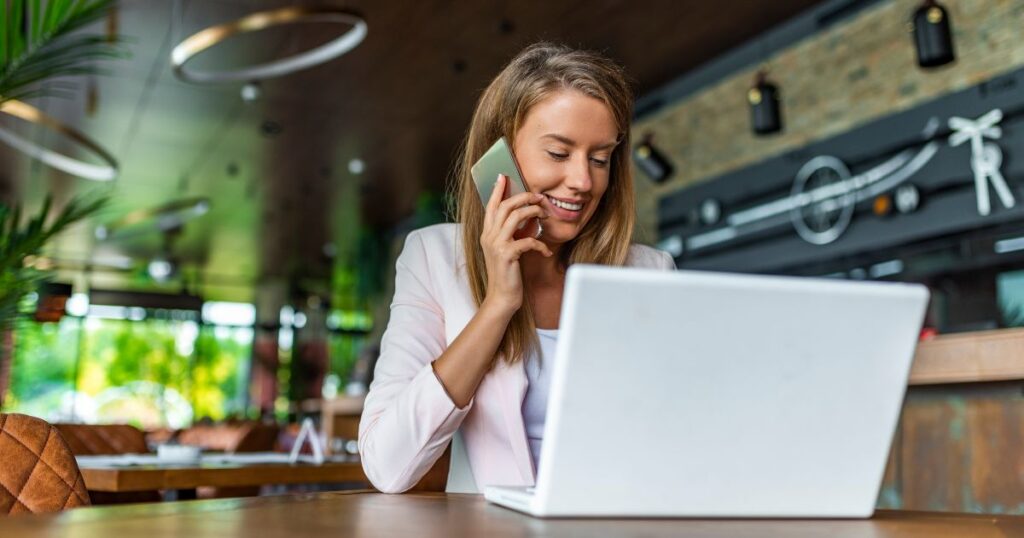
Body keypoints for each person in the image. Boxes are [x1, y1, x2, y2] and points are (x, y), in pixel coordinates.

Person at [358, 42, 675, 494]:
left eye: (600, 158)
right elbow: (388, 466)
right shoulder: (434, 258)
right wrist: (498, 306)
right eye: (559, 153)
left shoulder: (649, 272)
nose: (584, 181)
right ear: (498, 158)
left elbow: (672, 434)